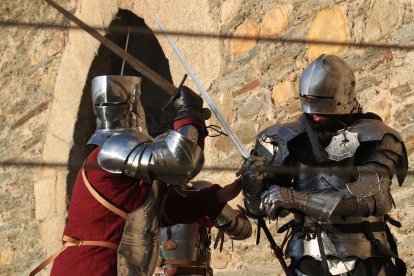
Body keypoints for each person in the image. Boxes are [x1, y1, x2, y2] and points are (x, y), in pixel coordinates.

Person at [30, 75, 246, 276]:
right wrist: (188, 115)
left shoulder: (136, 181)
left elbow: (171, 208)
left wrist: (221, 195)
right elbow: (180, 162)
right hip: (92, 267)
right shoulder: (110, 152)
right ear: (134, 109)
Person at [241, 54, 408, 275]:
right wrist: (253, 186)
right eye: (308, 101)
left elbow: (369, 199)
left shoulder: (377, 136)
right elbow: (261, 210)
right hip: (307, 260)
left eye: (320, 103)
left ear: (342, 98)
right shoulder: (286, 139)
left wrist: (294, 198)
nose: (314, 114)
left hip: (366, 258)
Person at [154, 180, 252, 276]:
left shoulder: (200, 188)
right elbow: (140, 253)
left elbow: (242, 230)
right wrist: (163, 271)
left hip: (197, 271)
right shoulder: (150, 194)